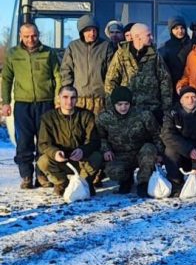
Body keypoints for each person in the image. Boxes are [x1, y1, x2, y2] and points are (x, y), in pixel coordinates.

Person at [1, 23, 61, 188]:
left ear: (38, 34)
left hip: (46, 103)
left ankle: (42, 175)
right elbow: (6, 79)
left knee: (44, 140)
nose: (30, 39)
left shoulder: (49, 52)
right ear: (21, 36)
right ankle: (26, 176)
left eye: (33, 35)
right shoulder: (13, 53)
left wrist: (58, 98)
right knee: (24, 142)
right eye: (26, 36)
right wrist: (5, 102)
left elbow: (58, 76)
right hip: (23, 104)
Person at [37, 86, 103, 196]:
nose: (69, 101)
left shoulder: (86, 116)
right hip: (61, 160)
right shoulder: (48, 118)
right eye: (65, 97)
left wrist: (83, 150)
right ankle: (62, 183)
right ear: (59, 98)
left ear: (77, 99)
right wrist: (55, 153)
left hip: (81, 160)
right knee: (43, 161)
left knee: (97, 156)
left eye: (73, 98)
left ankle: (84, 182)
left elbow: (95, 141)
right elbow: (43, 143)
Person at [96, 86, 163, 196]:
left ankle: (143, 183)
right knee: (113, 171)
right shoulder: (104, 117)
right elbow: (100, 137)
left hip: (140, 152)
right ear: (113, 104)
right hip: (119, 154)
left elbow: (157, 134)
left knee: (149, 149)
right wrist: (106, 150)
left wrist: (160, 154)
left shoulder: (143, 115)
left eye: (126, 104)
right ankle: (126, 179)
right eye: (119, 104)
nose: (123, 108)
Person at [104, 23, 173, 122]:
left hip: (152, 109)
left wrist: (166, 109)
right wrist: (113, 107)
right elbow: (111, 81)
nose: (152, 37)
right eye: (148, 35)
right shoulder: (121, 54)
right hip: (127, 110)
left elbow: (165, 80)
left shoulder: (154, 55)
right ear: (137, 37)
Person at [160, 86, 196, 194]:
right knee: (170, 151)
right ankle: (175, 183)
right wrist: (188, 149)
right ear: (181, 100)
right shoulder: (172, 114)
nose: (190, 100)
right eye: (187, 97)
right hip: (181, 152)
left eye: (193, 97)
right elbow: (167, 135)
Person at [60, 14, 114, 115]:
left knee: (98, 124)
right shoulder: (73, 47)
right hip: (78, 98)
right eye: (88, 30)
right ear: (82, 32)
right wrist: (67, 93)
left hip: (100, 99)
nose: (92, 33)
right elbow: (66, 71)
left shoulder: (106, 46)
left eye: (94, 30)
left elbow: (111, 73)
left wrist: (108, 94)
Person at [158, 16, 192, 87]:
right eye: (176, 28)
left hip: (190, 85)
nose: (180, 31)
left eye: (182, 28)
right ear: (171, 30)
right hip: (171, 85)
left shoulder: (192, 45)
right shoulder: (165, 47)